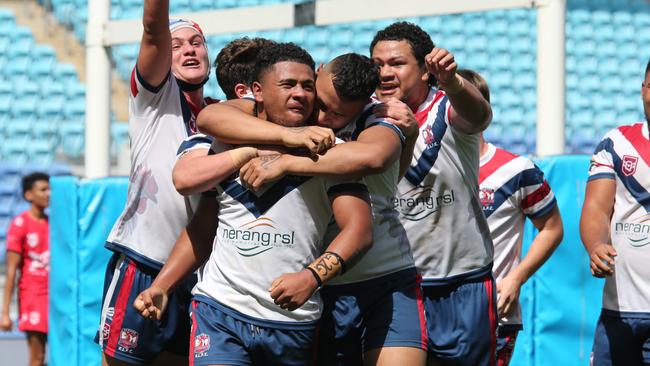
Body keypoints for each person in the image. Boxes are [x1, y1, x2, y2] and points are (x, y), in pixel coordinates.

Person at [135, 42, 374, 366]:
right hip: (219, 312)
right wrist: (163, 285)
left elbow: (358, 231)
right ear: (257, 91)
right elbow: (205, 228)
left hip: (293, 321)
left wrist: (311, 278)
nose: (300, 94)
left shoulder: (332, 154)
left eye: (307, 86)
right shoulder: (221, 144)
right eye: (288, 84)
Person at [210, 53, 427, 365]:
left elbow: (374, 157)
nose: (322, 117)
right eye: (321, 102)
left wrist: (287, 162)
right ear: (319, 73)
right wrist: (288, 135)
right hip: (324, 292)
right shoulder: (293, 109)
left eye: (337, 115)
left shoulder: (381, 115)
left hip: (386, 280)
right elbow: (211, 118)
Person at [95, 0, 215, 364]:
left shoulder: (219, 116)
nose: (189, 49)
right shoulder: (154, 98)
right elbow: (153, 31)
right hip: (145, 261)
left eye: (196, 42)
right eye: (177, 45)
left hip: (197, 273)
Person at [370, 22, 495, 365]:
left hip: (460, 281)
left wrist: (453, 81)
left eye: (396, 63)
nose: (384, 72)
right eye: (377, 64)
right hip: (394, 285)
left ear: (426, 70)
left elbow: (479, 115)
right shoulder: (365, 115)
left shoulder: (447, 107)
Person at [458, 69, 564, 365]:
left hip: (495, 313)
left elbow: (552, 229)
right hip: (429, 309)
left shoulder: (516, 170)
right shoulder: (422, 168)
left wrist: (517, 277)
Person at [580, 59, 650, 366]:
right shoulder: (616, 143)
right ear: (642, 90)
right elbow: (596, 208)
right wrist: (596, 246)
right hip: (619, 313)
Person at [1, 172, 50, 366]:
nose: (49, 193)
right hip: (33, 297)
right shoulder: (20, 225)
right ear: (29, 195)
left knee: (56, 356)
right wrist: (5, 313)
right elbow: (12, 271)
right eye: (43, 189)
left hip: (54, 299)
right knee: (37, 357)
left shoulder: (53, 225)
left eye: (50, 189)